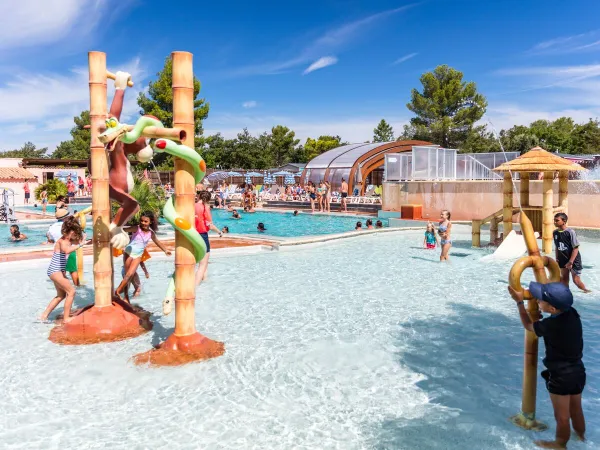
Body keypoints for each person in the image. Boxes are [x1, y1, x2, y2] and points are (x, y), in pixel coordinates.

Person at [508, 282, 586, 449]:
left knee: (562, 416)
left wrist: (520, 303)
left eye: (541, 299)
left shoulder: (550, 325)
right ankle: (580, 436)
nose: (537, 300)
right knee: (576, 409)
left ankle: (559, 443)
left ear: (552, 309)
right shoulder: (571, 313)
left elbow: (529, 326)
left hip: (560, 375)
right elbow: (552, 317)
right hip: (578, 371)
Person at [115, 212, 172, 301]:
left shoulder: (151, 233)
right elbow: (123, 230)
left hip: (138, 255)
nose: (143, 223)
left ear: (151, 222)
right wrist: (115, 229)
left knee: (130, 274)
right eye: (141, 220)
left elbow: (157, 242)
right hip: (129, 253)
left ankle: (118, 291)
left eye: (145, 221)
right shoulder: (136, 228)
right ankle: (124, 296)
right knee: (127, 275)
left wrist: (165, 250)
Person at [40, 219, 85, 323]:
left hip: (56, 271)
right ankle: (66, 318)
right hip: (56, 271)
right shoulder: (62, 241)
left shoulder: (67, 240)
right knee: (71, 292)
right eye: (76, 234)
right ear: (72, 232)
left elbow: (77, 241)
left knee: (61, 295)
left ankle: (44, 316)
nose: (76, 237)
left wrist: (86, 241)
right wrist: (80, 245)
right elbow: (67, 251)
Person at [553, 213, 590, 293]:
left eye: (557, 220)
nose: (555, 222)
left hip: (573, 260)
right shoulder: (555, 233)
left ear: (564, 221)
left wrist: (571, 262)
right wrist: (557, 258)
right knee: (564, 279)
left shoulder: (570, 232)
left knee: (576, 280)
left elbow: (575, 248)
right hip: (562, 259)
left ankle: (586, 291)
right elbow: (557, 247)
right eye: (554, 220)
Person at [46, 209, 82, 285]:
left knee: (62, 270)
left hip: (58, 251)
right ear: (66, 217)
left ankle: (63, 285)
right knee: (73, 270)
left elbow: (51, 240)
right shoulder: (69, 227)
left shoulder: (51, 227)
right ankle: (77, 286)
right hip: (69, 250)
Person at [195, 190, 222, 285]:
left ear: (198, 197)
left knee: (203, 263)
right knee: (203, 264)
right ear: (208, 199)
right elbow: (210, 225)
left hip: (192, 235)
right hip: (202, 235)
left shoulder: (192, 206)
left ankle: (205, 281)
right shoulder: (205, 208)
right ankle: (195, 286)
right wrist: (219, 232)